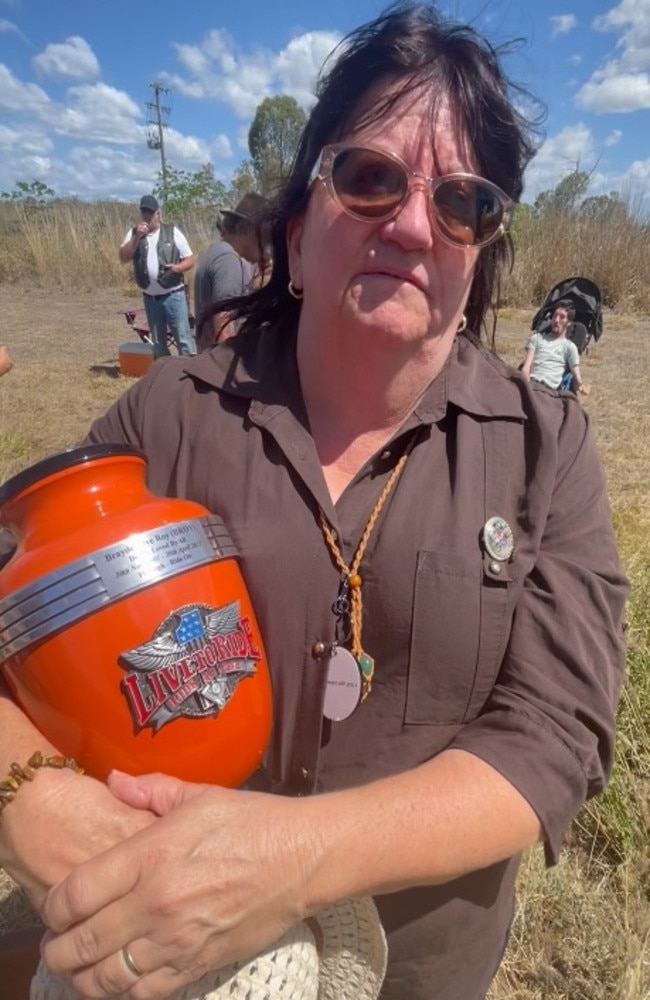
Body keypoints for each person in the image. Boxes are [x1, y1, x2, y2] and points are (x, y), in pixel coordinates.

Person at [0, 5, 628, 1000]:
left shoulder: (546, 450)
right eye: (370, 177)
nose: (416, 224)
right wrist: (27, 805)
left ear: (479, 255)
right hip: (169, 973)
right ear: (296, 230)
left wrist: (286, 861)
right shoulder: (167, 418)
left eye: (462, 201)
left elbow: (554, 734)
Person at [119, 194, 197, 357]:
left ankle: (189, 376)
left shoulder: (172, 232)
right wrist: (136, 237)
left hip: (173, 296)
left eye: (151, 213)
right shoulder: (134, 234)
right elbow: (123, 258)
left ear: (158, 213)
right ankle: (165, 376)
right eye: (144, 213)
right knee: (158, 344)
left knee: (183, 340)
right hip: (151, 299)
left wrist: (178, 268)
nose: (147, 217)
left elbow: (190, 259)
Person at [194, 192, 270, 350]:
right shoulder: (228, 259)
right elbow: (224, 324)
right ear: (248, 230)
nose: (267, 246)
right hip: (218, 362)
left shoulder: (219, 251)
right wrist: (229, 372)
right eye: (265, 237)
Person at [522, 300, 590, 394]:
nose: (556, 320)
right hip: (531, 384)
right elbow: (526, 367)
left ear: (569, 323)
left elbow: (576, 375)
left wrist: (581, 386)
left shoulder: (570, 347)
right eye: (555, 316)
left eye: (562, 317)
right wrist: (527, 387)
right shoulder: (537, 338)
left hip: (549, 391)